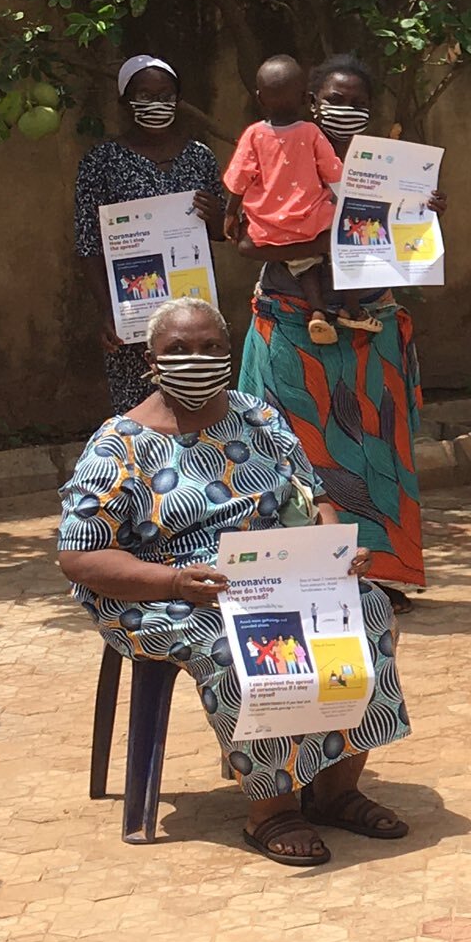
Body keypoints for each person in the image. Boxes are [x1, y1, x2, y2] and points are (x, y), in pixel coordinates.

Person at [56, 298, 412, 867]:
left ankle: (336, 788)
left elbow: (311, 495)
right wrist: (174, 581)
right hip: (164, 589)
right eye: (178, 351)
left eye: (209, 348)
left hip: (269, 571)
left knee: (366, 609)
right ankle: (271, 809)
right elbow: (80, 555)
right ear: (151, 361)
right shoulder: (117, 445)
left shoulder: (257, 418)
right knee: (242, 643)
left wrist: (332, 550)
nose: (195, 360)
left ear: (229, 352)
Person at [235, 55, 435, 601]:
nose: (344, 111)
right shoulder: (277, 155)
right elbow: (249, 243)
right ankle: (302, 579)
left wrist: (424, 209)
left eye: (357, 103)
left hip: (372, 331)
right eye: (333, 99)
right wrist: (323, 242)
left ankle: (369, 577)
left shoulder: (388, 168)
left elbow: (410, 247)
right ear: (309, 101)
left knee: (374, 457)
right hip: (293, 330)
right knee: (295, 457)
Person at [74, 55, 227, 414]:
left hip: (194, 309)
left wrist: (217, 217)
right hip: (135, 311)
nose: (156, 103)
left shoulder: (199, 157)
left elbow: (222, 233)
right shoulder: (101, 162)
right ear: (125, 103)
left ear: (178, 99)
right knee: (140, 411)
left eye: (165, 94)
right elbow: (88, 244)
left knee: (198, 397)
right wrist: (110, 312)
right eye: (144, 94)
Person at [222, 54, 352, 347]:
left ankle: (317, 310)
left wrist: (230, 214)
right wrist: (348, 206)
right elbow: (334, 176)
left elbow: (239, 180)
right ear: (307, 98)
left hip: (268, 230)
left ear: (259, 98)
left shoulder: (253, 135)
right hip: (310, 223)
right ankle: (329, 308)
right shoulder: (311, 132)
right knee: (318, 252)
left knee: (301, 261)